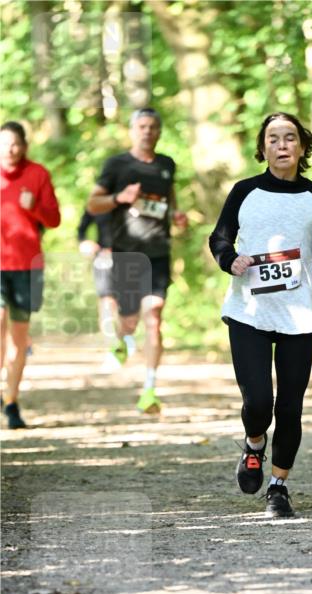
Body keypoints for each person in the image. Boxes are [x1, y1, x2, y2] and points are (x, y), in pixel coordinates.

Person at [209, 112, 312, 519]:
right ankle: (254, 444)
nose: (282, 145)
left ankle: (278, 487)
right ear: (263, 147)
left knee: (289, 407)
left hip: (298, 315)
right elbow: (219, 237)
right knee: (258, 402)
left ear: (302, 147)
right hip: (248, 311)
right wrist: (230, 259)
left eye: (290, 138)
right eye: (273, 138)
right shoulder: (244, 191)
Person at [86, 107, 187, 414]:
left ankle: (150, 389)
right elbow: (93, 204)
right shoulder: (117, 165)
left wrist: (176, 214)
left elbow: (168, 197)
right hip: (126, 254)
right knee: (129, 321)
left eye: (152, 126)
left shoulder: (166, 164)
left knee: (153, 316)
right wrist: (120, 198)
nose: (147, 131)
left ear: (159, 132)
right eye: (141, 126)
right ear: (132, 130)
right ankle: (120, 340)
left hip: (158, 252)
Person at [0, 121, 61, 429]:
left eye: (15, 144)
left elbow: (54, 219)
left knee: (19, 338)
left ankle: (11, 401)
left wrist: (34, 206)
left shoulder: (38, 174)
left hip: (27, 266)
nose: (10, 150)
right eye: (4, 144)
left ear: (24, 146)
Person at [77, 207, 125, 364]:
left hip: (130, 257)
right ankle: (112, 346)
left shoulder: (132, 199)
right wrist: (85, 242)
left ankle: (124, 341)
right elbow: (81, 229)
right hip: (104, 257)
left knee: (127, 304)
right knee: (107, 302)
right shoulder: (97, 201)